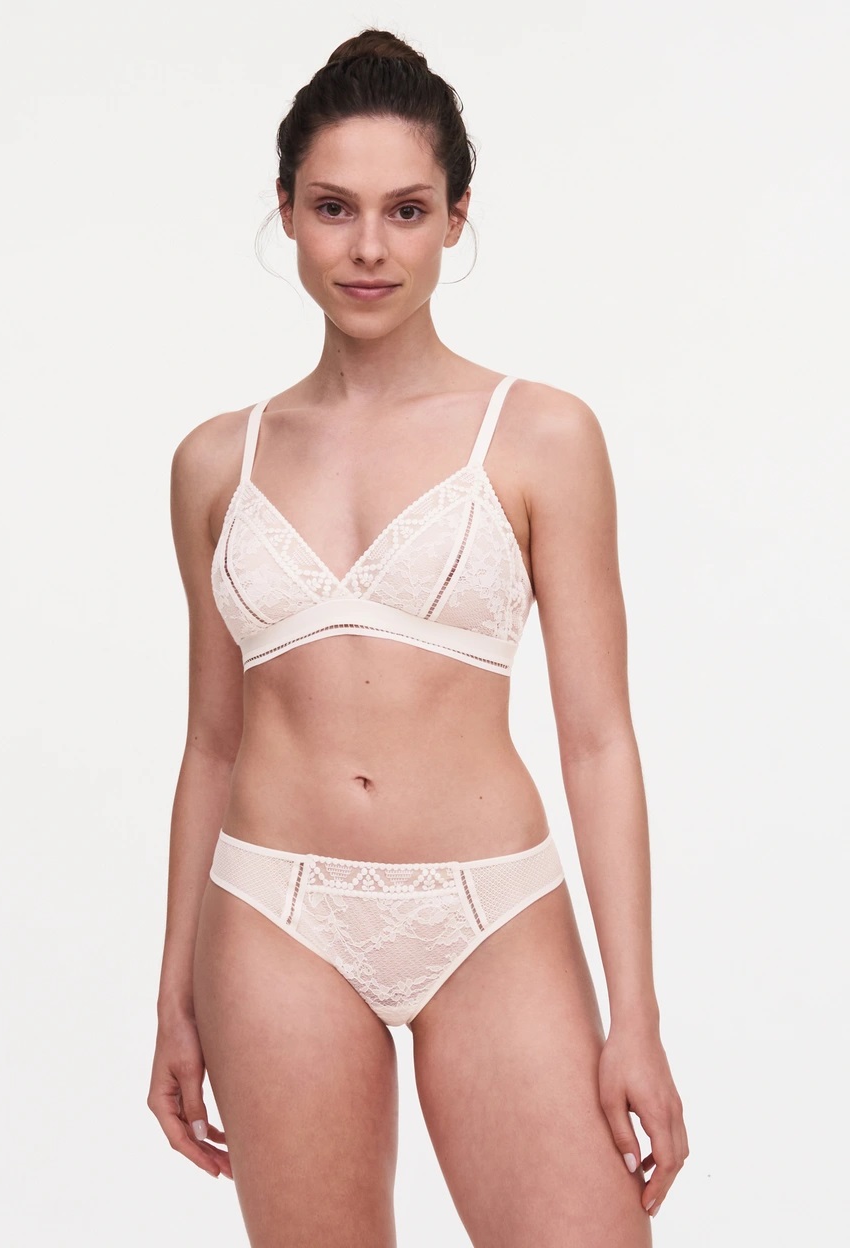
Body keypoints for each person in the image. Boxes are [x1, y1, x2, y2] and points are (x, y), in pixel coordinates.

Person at [147, 27, 688, 1247]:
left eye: (406, 210)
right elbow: (211, 744)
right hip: (272, 916)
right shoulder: (215, 463)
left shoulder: (542, 435)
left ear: (455, 218)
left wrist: (637, 1018)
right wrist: (174, 995)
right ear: (286, 211)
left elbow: (599, 741)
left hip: (491, 912)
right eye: (334, 208)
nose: (369, 248)